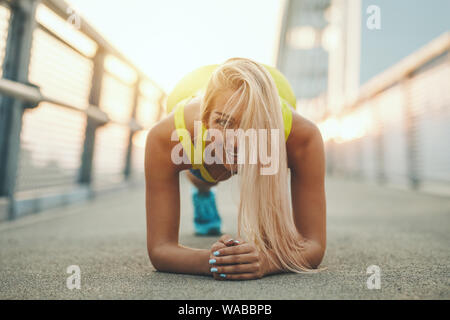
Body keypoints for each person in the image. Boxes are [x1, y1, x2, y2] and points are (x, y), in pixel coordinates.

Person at [145, 58, 326, 280]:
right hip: (193, 83)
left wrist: (266, 261)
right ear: (205, 119)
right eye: (223, 123)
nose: (236, 141)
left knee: (262, 164)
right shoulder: (166, 136)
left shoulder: (302, 136)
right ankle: (203, 191)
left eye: (252, 126)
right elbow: (160, 249)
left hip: (275, 85)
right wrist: (217, 261)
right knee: (207, 174)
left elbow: (314, 245)